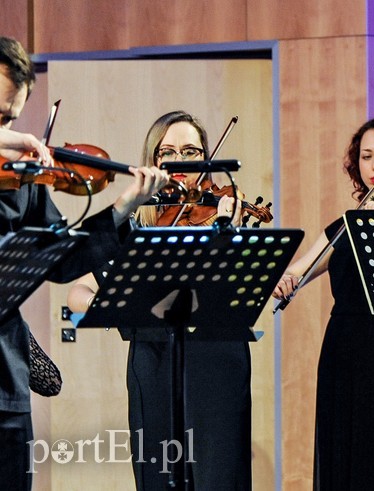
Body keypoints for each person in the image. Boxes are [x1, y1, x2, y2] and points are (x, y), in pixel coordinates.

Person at [0, 36, 169, 491]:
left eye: (12, 118)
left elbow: (62, 262)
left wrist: (123, 207)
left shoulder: (22, 178)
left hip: (5, 379)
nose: (11, 131)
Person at [67, 111, 250, 490]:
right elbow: (77, 293)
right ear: (154, 161)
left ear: (207, 158)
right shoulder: (137, 226)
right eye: (167, 151)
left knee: (218, 478)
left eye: (190, 150)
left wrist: (227, 233)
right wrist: (122, 302)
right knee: (159, 478)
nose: (179, 160)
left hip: (216, 362)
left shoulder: (224, 212)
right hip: (153, 364)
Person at [271, 116, 374, 490]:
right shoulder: (345, 226)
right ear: (355, 163)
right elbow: (297, 271)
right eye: (366, 157)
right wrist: (281, 280)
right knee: (351, 455)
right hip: (347, 351)